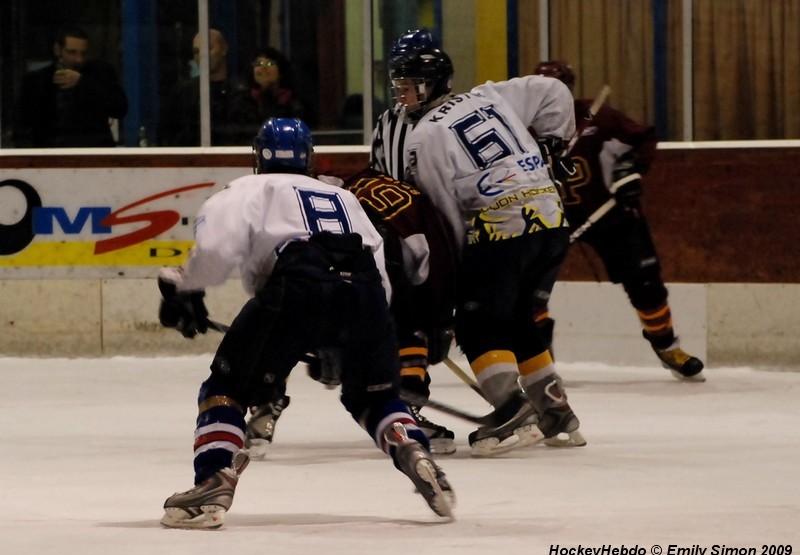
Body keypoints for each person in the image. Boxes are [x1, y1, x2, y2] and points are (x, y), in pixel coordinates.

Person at [157, 118, 455, 529]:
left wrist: (183, 289)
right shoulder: (342, 197)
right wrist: (344, 335)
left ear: (258, 155)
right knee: (375, 398)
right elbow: (380, 273)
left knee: (226, 387)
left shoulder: (246, 189)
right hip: (366, 292)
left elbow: (213, 252)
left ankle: (212, 479)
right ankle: (412, 448)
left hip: (297, 284)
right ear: (308, 157)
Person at [385, 30, 585, 456]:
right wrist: (554, 141)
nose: (402, 95)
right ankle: (557, 412)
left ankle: (512, 413)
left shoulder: (425, 137)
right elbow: (553, 90)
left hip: (501, 229)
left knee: (478, 324)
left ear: (433, 84)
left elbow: (445, 214)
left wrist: (452, 280)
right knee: (518, 317)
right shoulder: (492, 96)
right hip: (551, 218)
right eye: (398, 87)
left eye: (409, 86)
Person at [244, 168, 460, 456]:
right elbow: (394, 270)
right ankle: (405, 411)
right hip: (365, 281)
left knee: (279, 324)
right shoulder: (352, 196)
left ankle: (265, 404)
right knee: (408, 324)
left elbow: (264, 272)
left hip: (313, 281)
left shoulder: (270, 201)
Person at [533, 61, 705, 381]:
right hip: (547, 218)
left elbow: (642, 138)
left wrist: (629, 173)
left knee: (644, 279)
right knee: (528, 290)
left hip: (606, 212)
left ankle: (666, 345)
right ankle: (539, 367)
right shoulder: (520, 127)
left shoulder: (598, 118)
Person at [13, 26, 128, 147]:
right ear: (58, 50)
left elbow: (120, 108)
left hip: (92, 151)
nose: (79, 59)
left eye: (83, 53)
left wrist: (82, 83)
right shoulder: (37, 80)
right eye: (71, 52)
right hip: (50, 153)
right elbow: (22, 125)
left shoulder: (100, 74)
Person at [160, 28, 249, 146]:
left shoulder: (241, 92)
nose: (202, 55)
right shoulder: (183, 92)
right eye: (197, 51)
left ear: (224, 49)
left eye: (208, 48)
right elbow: (168, 135)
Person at [229, 47, 307, 128]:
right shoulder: (242, 102)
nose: (264, 68)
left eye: (270, 64)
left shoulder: (294, 103)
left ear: (281, 72)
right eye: (259, 64)